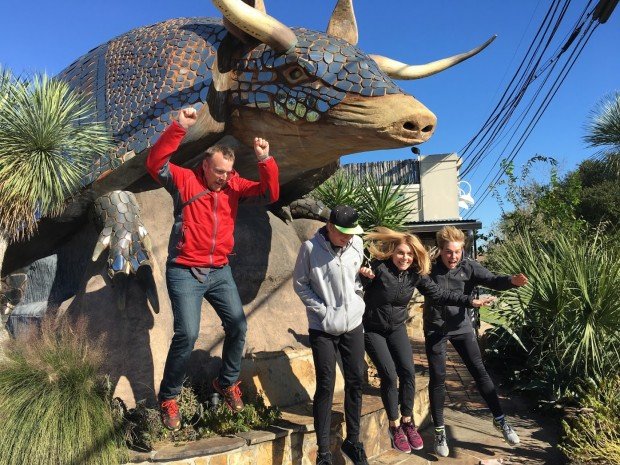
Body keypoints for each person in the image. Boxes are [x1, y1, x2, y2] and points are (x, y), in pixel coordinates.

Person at [146, 107, 279, 430]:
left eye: (227, 172)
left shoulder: (234, 185)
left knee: (238, 326)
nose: (223, 177)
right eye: (218, 171)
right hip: (184, 270)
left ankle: (226, 381)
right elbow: (155, 164)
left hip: (219, 271)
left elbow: (270, 193)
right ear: (206, 164)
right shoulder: (185, 180)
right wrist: (179, 127)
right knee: (187, 334)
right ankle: (169, 397)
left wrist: (265, 161)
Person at [359, 227, 494, 454]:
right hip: (372, 330)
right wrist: (365, 276)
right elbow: (360, 285)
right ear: (392, 251)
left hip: (396, 328)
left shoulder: (415, 274)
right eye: (401, 253)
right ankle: (394, 426)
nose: (405, 258)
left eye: (410, 254)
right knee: (390, 376)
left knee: (409, 373)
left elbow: (440, 294)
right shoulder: (378, 268)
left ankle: (407, 422)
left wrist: (470, 301)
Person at [424, 226, 528, 457]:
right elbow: (433, 293)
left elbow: (492, 280)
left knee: (480, 372)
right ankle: (440, 430)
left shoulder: (469, 267)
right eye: (449, 252)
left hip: (461, 328)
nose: (453, 257)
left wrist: (511, 280)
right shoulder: (429, 269)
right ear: (440, 250)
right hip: (436, 329)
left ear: (463, 250)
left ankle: (500, 420)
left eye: (457, 252)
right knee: (438, 377)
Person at [293, 205, 369, 465]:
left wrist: (359, 293)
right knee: (326, 385)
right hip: (323, 327)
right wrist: (323, 311)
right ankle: (323, 452)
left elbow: (355, 275)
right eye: (342, 233)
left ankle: (353, 440)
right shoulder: (311, 249)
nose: (347, 238)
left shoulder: (357, 244)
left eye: (351, 234)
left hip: (353, 323)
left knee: (356, 380)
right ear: (330, 227)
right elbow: (300, 284)